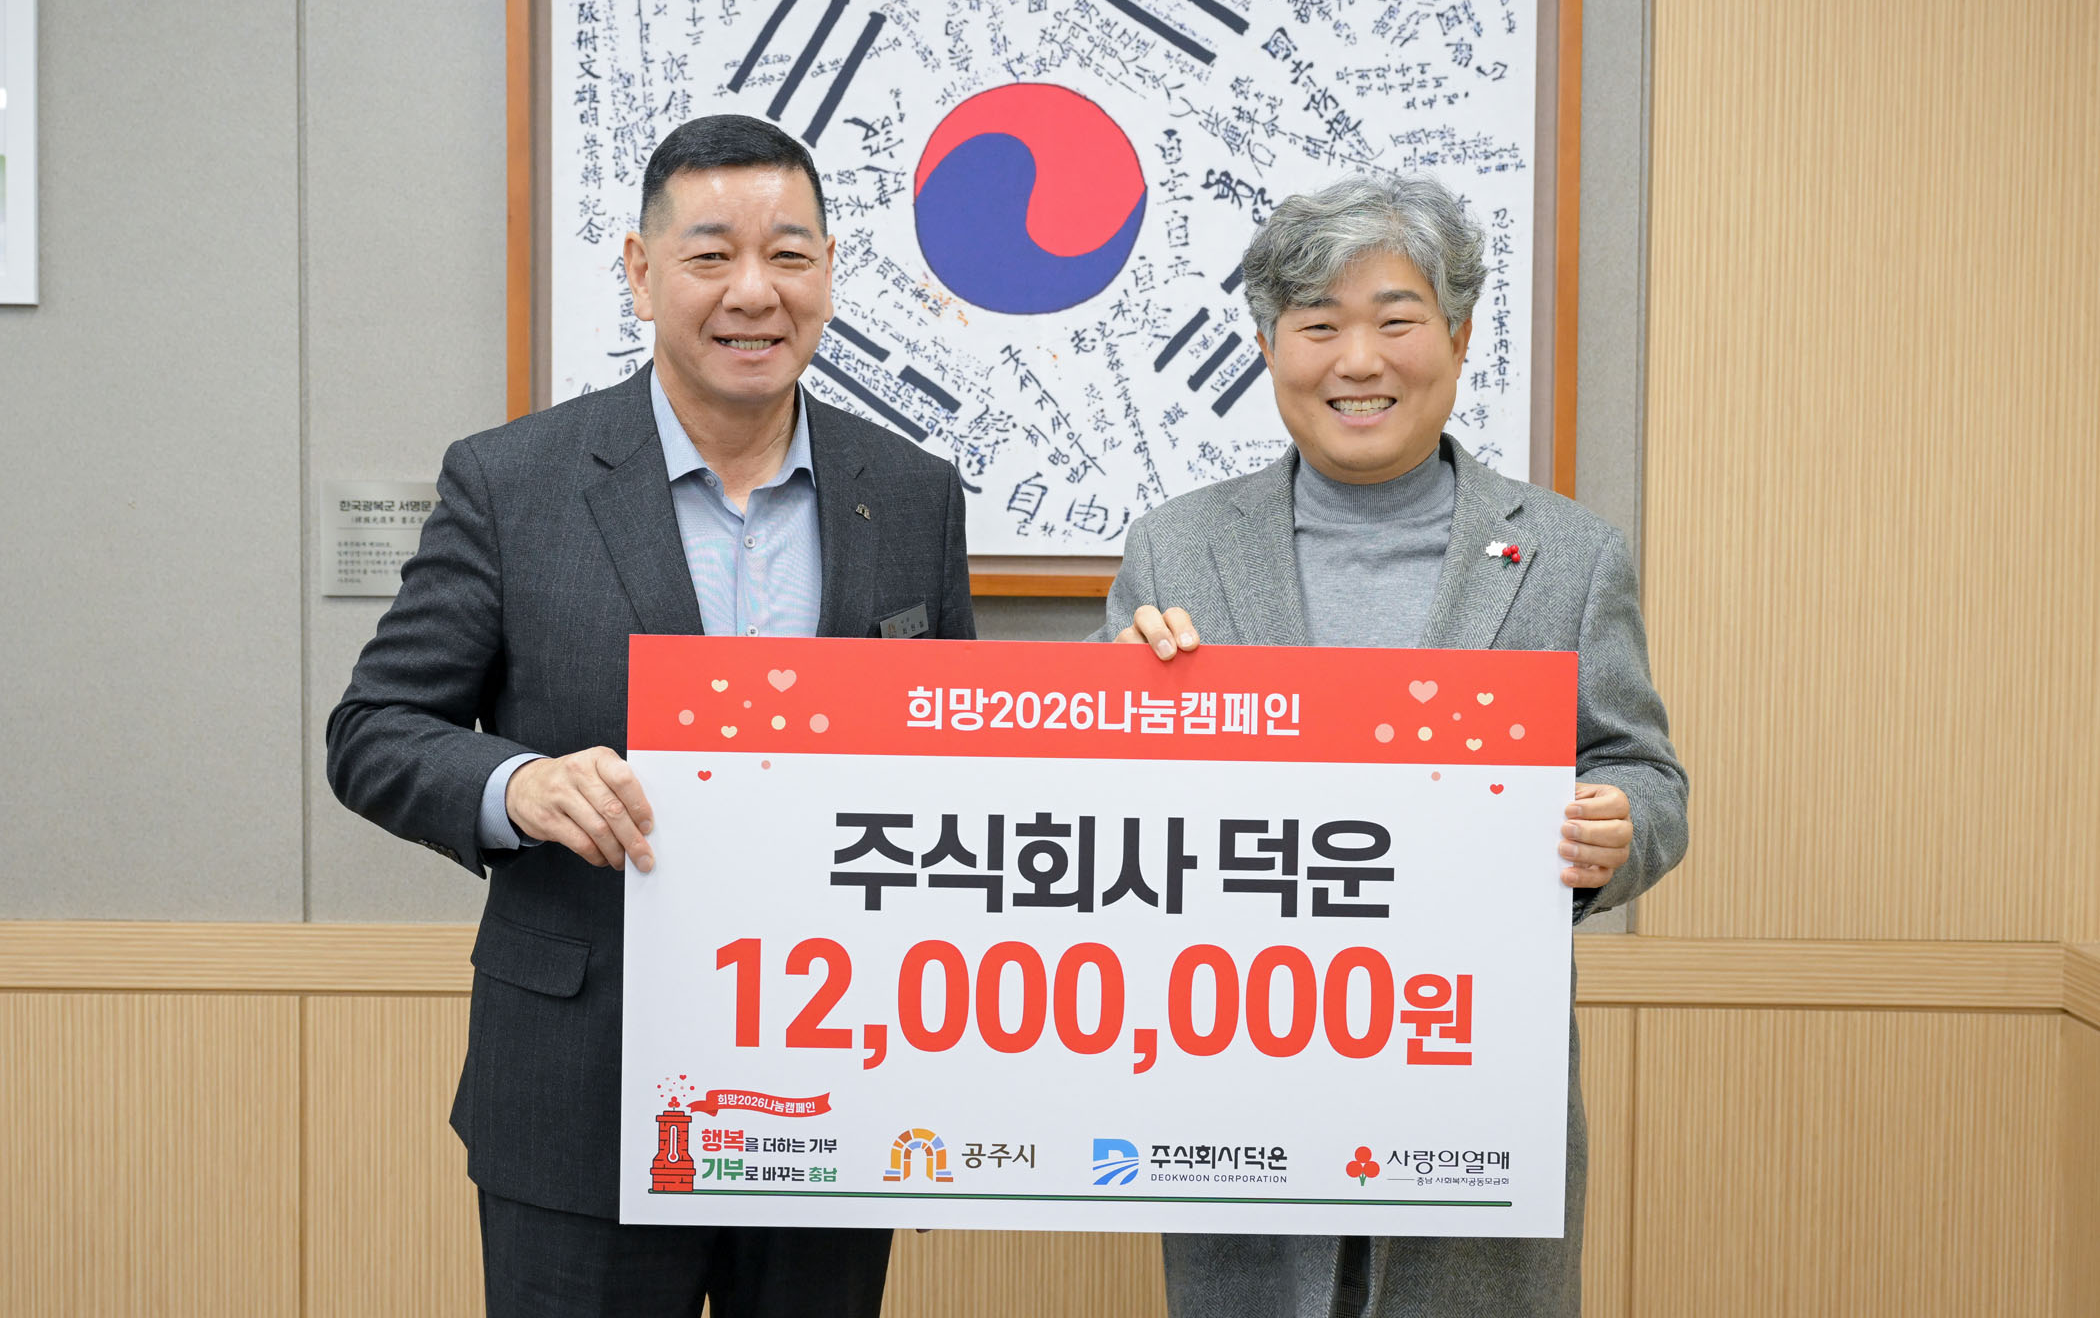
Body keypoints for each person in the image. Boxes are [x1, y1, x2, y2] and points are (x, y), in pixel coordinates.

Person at [327, 114, 974, 1318]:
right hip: (581, 1086)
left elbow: (955, 762)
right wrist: (515, 785)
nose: (754, 292)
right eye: (710, 254)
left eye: (789, 254)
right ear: (639, 271)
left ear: (829, 271)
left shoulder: (912, 494)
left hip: (832, 1090)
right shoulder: (513, 481)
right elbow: (372, 729)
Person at [1099, 175, 1688, 1316]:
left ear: (1459, 338)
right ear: (1269, 347)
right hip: (1238, 1091)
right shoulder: (1177, 549)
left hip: (1474, 1083)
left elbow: (1641, 769)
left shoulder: (1567, 553)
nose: (1358, 360)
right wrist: (1111, 701)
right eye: (1319, 324)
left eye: (1396, 319)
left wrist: (1620, 827)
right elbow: (1088, 796)